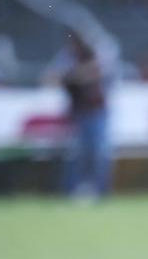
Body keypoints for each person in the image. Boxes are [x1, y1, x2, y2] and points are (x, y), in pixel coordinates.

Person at [43, 31, 112, 200]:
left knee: (98, 153)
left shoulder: (88, 55)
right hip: (80, 113)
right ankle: (72, 191)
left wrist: (72, 75)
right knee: (78, 153)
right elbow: (50, 79)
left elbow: (95, 71)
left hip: (95, 112)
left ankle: (100, 191)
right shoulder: (67, 59)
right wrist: (74, 76)